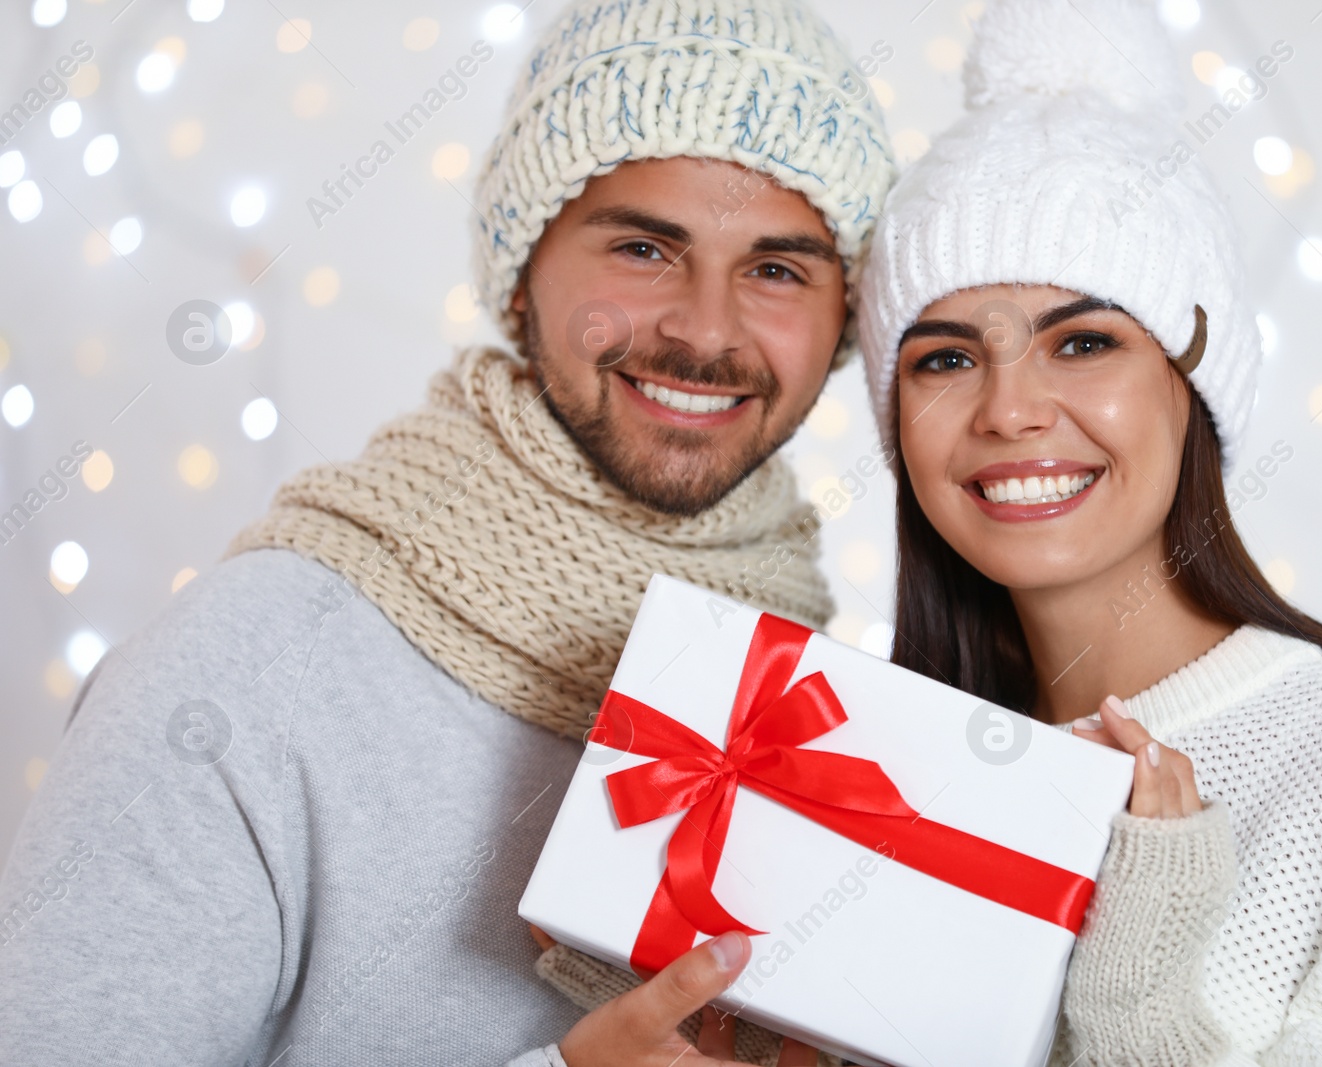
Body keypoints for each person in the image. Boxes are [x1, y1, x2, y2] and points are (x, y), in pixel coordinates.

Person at [0, 1, 893, 1064]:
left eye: (777, 268)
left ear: (844, 316)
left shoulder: (829, 713)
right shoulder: (249, 666)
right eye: (646, 247)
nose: (705, 328)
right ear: (520, 276)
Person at [852, 1, 1322, 1064]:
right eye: (944, 357)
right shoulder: (894, 774)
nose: (1008, 410)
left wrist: (1139, 1008)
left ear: (1191, 387)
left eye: (1084, 342)